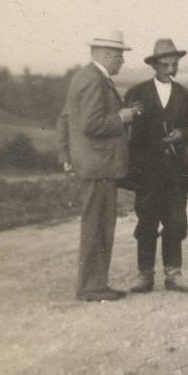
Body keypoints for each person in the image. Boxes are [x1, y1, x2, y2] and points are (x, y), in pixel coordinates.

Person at [121, 39, 188, 294]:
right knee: (146, 220)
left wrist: (182, 134)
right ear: (155, 65)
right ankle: (144, 275)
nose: (171, 69)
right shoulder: (136, 93)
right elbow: (125, 131)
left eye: (175, 65)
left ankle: (174, 274)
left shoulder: (185, 95)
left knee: (175, 221)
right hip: (146, 170)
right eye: (166, 65)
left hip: (175, 171)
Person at [56, 32, 137, 302]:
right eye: (119, 55)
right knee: (98, 226)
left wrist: (66, 155)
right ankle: (92, 285)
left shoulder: (85, 77)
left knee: (96, 224)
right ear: (104, 55)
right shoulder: (94, 81)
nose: (122, 60)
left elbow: (66, 119)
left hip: (93, 165)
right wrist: (122, 118)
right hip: (99, 166)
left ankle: (94, 282)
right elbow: (91, 124)